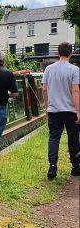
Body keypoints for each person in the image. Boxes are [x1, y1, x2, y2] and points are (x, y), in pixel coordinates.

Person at [42, 42, 80, 179]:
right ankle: (76, 167)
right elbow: (75, 91)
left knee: (53, 138)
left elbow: (44, 89)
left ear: (58, 53)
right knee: (73, 139)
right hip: (71, 111)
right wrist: (79, 111)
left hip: (54, 111)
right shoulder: (75, 70)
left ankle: (52, 167)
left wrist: (47, 106)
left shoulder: (48, 69)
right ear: (71, 53)